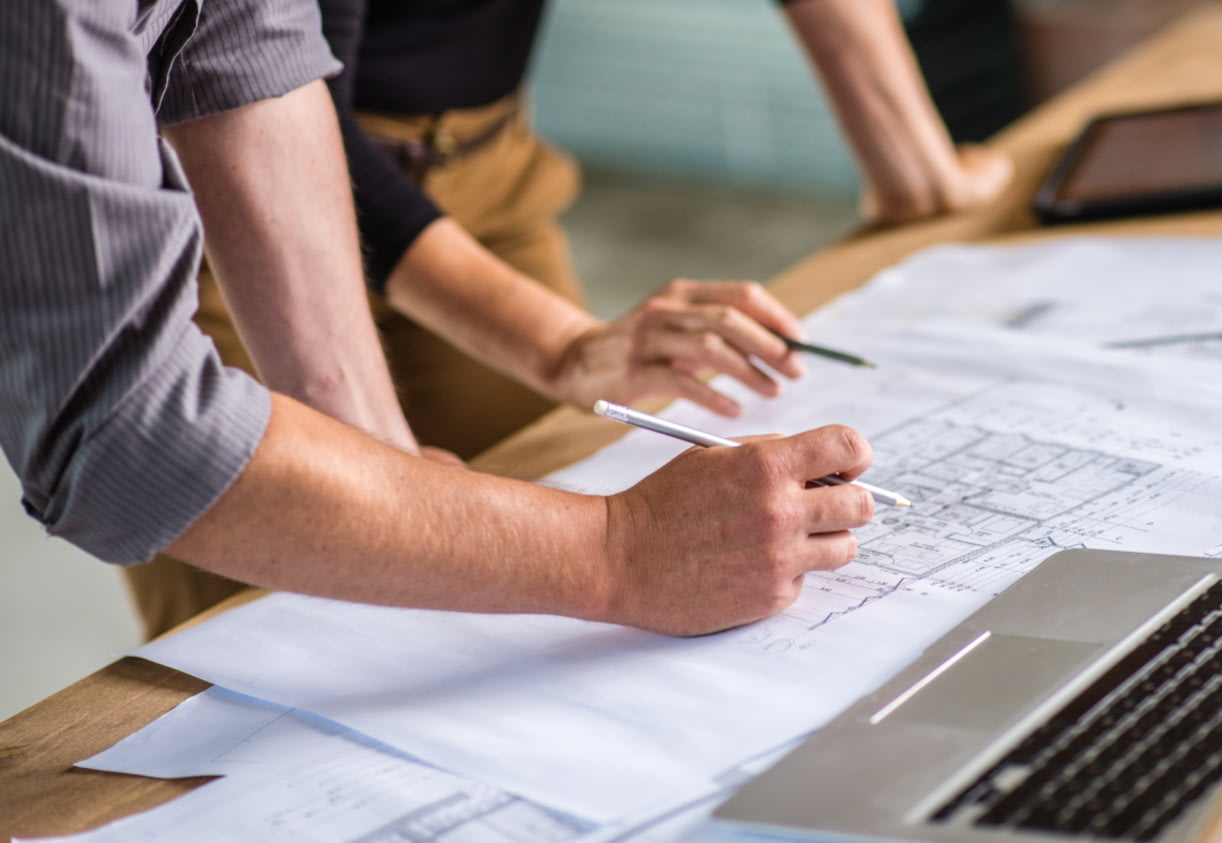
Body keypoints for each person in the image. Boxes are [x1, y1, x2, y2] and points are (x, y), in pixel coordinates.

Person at [122, 0, 1016, 635]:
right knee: (273, 634)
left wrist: (913, 165)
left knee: (559, 553)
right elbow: (243, 75)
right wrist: (561, 351)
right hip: (227, 216)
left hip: (480, 174)